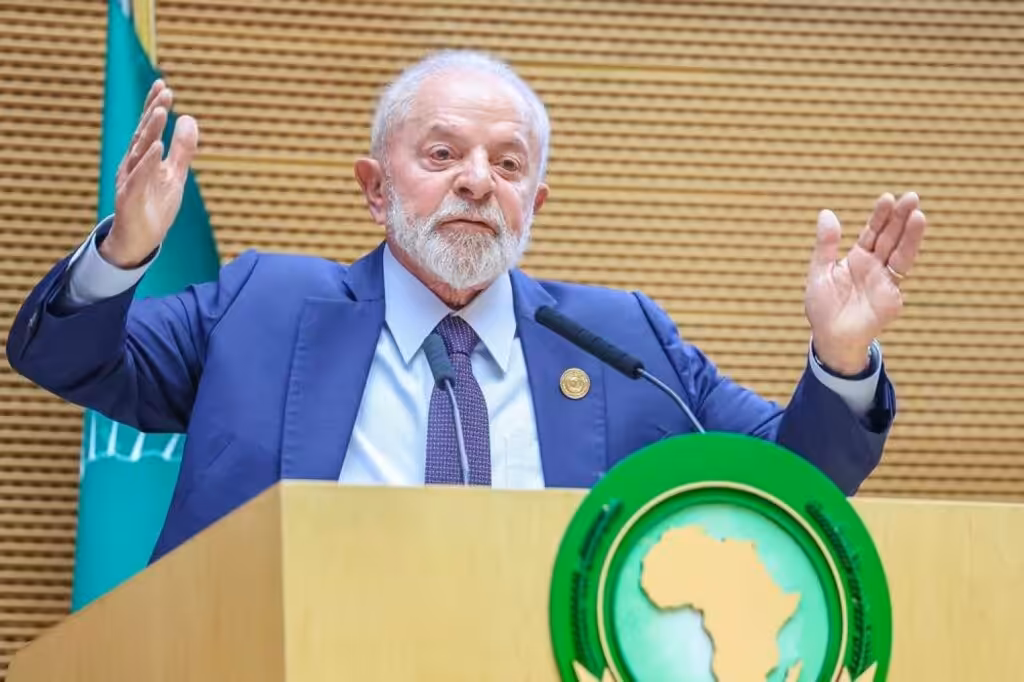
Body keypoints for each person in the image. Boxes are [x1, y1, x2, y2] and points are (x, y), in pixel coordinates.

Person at [7, 50, 927, 562]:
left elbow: (793, 479)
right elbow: (66, 358)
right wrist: (125, 251)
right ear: (376, 189)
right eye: (442, 155)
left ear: (535, 203)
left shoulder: (620, 338)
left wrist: (842, 357)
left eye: (508, 164)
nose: (478, 181)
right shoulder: (262, 306)